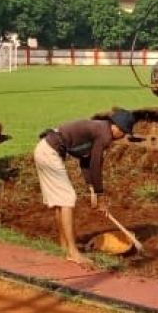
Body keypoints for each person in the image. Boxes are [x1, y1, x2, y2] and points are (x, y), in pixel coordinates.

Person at [33, 108, 136, 263]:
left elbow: (85, 160)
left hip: (44, 149)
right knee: (68, 199)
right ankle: (73, 253)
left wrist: (92, 189)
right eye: (124, 132)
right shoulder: (104, 134)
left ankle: (65, 245)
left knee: (60, 201)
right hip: (50, 152)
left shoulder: (100, 128)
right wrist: (100, 196)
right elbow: (95, 165)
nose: (122, 137)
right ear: (117, 128)